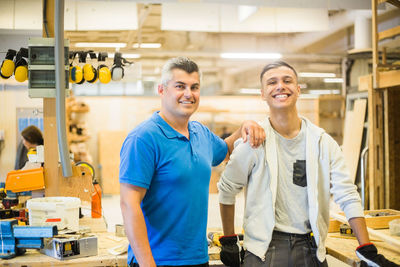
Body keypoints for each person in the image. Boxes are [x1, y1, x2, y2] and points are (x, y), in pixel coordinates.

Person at [217, 61, 399, 267]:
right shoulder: (254, 141)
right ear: (262, 93)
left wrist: (366, 248)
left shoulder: (322, 142)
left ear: (298, 89)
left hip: (310, 247)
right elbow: (226, 189)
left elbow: (347, 194)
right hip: (263, 250)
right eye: (272, 82)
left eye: (287, 81)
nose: (280, 86)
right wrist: (229, 239)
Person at [119, 56, 266, 267]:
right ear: (161, 90)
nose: (188, 94)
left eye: (194, 87)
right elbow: (128, 204)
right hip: (158, 261)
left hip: (197, 258)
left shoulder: (200, 133)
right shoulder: (144, 138)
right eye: (180, 86)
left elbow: (225, 150)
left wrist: (247, 125)